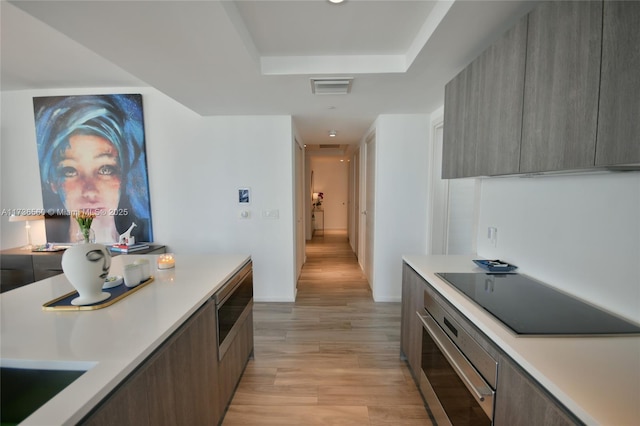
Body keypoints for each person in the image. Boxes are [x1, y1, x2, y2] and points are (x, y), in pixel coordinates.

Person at [34, 94, 153, 244]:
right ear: (52, 181)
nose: (89, 191)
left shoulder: (143, 234)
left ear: (122, 177)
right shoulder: (52, 248)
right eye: (70, 170)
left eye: (105, 169)